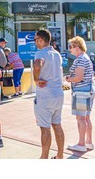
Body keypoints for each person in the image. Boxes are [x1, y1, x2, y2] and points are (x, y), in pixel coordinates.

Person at [33, 29, 65, 159]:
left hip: (45, 95)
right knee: (57, 125)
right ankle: (60, 156)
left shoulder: (40, 53)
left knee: (45, 128)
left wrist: (36, 79)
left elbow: (37, 64)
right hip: (58, 94)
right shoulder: (56, 54)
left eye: (35, 40)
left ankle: (44, 158)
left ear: (41, 40)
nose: (35, 42)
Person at [65, 36, 95, 152]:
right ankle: (88, 142)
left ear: (77, 47)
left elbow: (78, 77)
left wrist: (68, 79)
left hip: (82, 91)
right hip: (88, 89)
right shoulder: (85, 58)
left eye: (71, 47)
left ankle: (81, 144)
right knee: (86, 117)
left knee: (80, 118)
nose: (70, 49)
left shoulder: (80, 59)